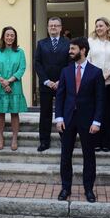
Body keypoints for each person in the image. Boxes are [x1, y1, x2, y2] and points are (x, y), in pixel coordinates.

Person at [55, 37, 105, 203]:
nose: (70, 52)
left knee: (89, 156)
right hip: (67, 120)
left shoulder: (96, 72)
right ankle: (65, 188)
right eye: (70, 49)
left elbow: (100, 99)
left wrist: (97, 121)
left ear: (83, 50)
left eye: (73, 49)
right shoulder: (65, 71)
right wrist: (59, 118)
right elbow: (60, 96)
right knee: (65, 156)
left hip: (88, 121)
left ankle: (89, 189)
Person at [0, 26, 28, 151]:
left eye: (12, 35)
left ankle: (14, 138)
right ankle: (0, 137)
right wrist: (2, 81)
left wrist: (9, 81)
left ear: (15, 38)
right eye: (7, 35)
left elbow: (22, 68)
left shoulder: (20, 52)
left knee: (15, 113)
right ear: (3, 37)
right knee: (1, 113)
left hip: (15, 86)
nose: (9, 37)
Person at [34, 17, 70, 152]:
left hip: (63, 84)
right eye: (51, 26)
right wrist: (46, 81)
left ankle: (65, 139)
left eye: (56, 25)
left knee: (64, 113)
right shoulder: (41, 44)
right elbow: (37, 63)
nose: (53, 28)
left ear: (61, 27)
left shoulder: (68, 43)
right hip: (46, 85)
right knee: (45, 113)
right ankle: (44, 141)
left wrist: (61, 81)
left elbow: (70, 63)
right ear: (48, 28)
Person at [87, 17, 110, 152]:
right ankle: (95, 142)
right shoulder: (91, 41)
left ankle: (107, 143)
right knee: (95, 112)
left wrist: (109, 73)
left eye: (101, 26)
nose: (98, 28)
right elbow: (88, 59)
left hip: (109, 82)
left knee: (107, 113)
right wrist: (96, 75)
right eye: (97, 26)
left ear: (107, 26)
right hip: (93, 82)